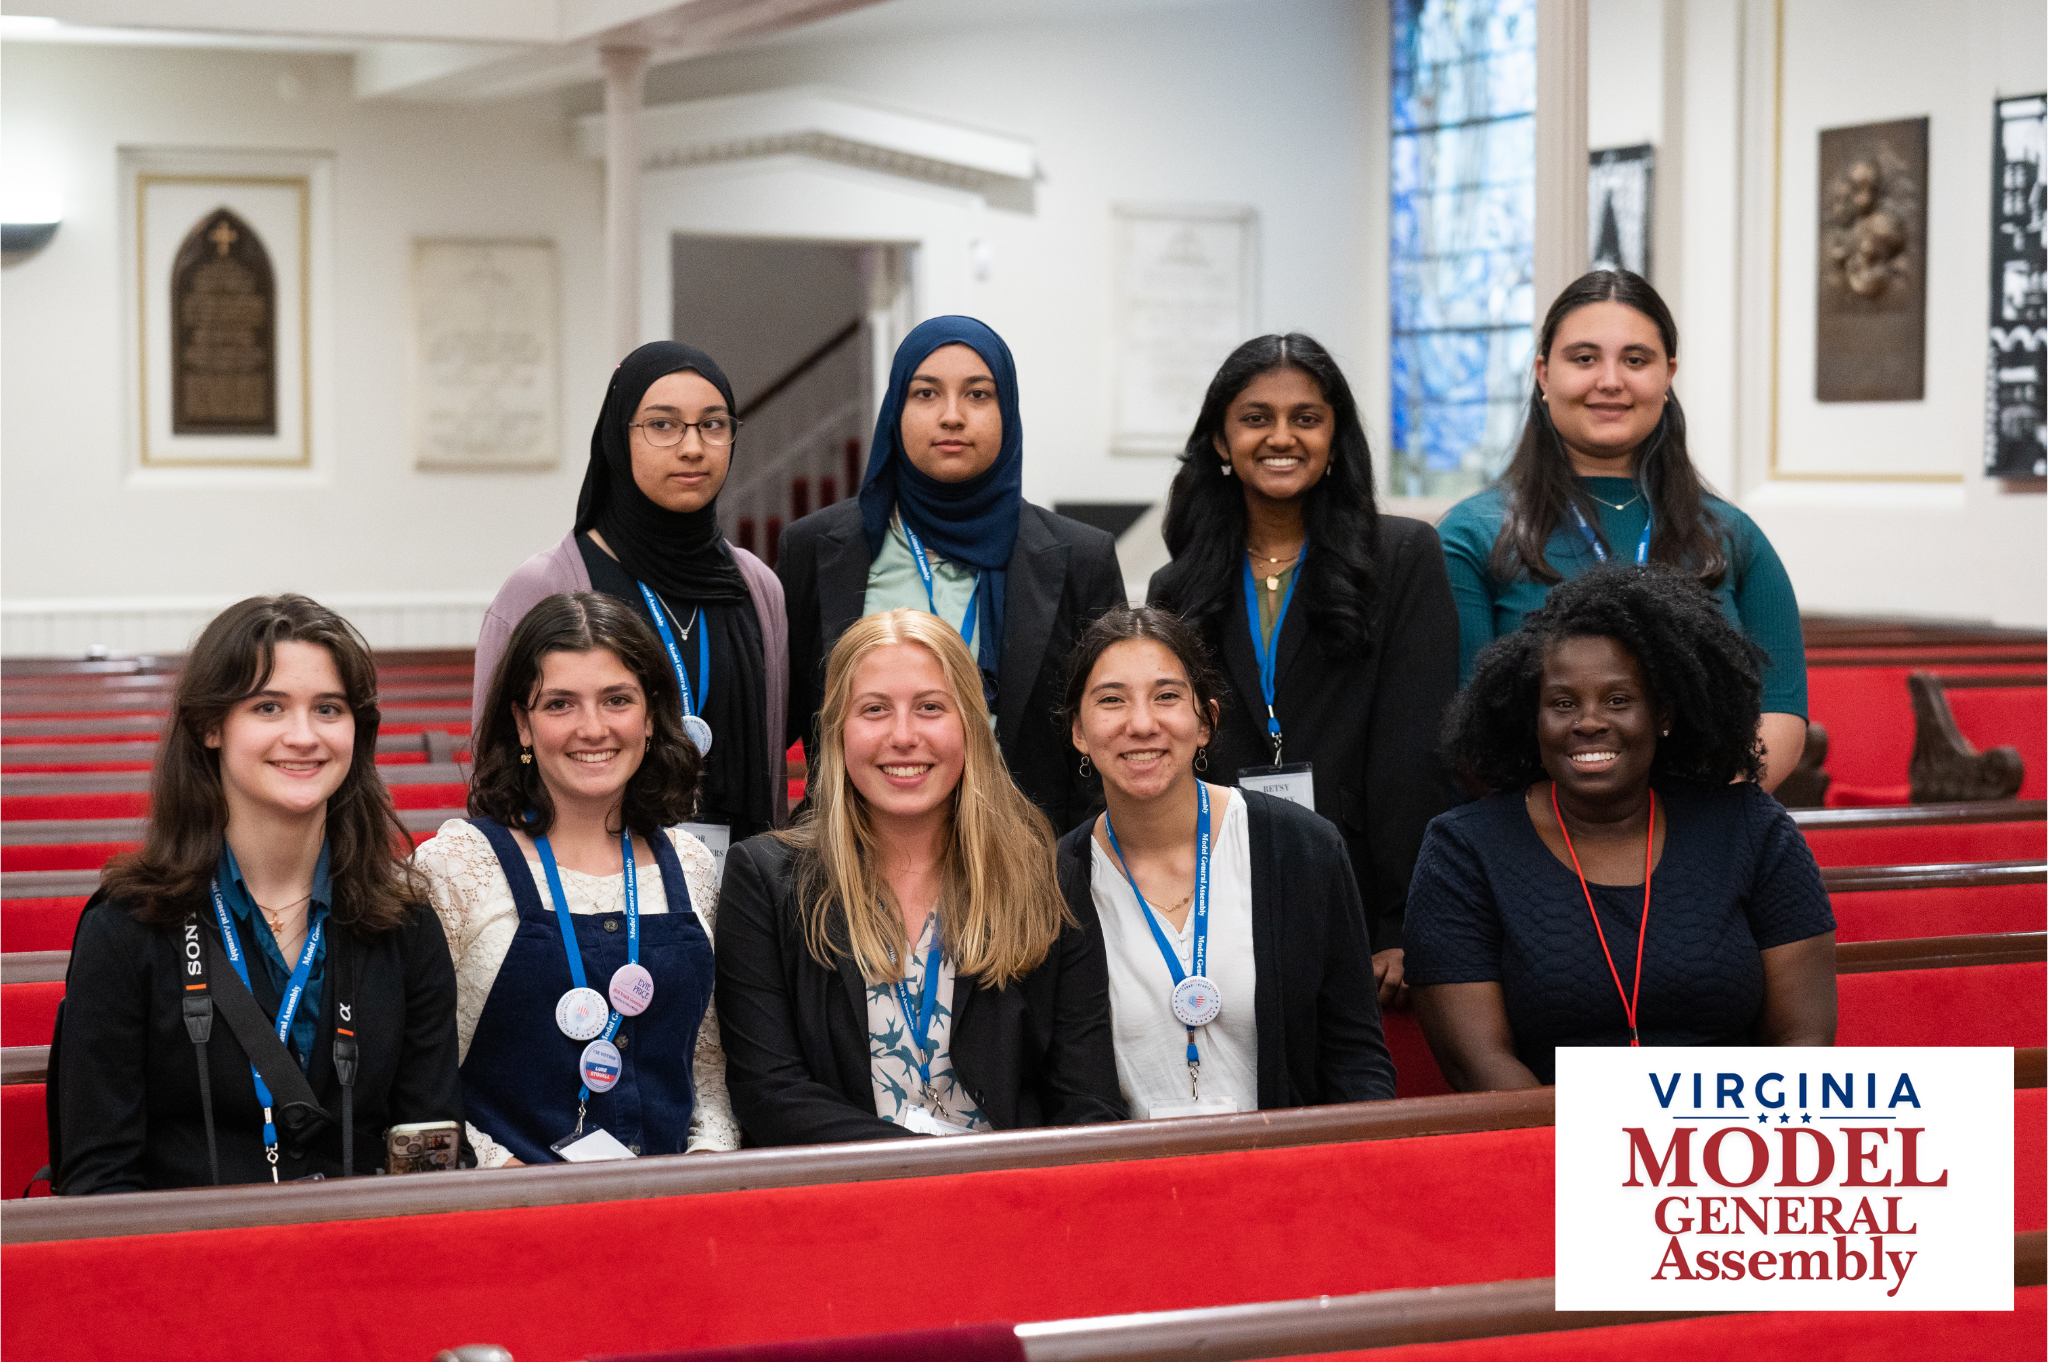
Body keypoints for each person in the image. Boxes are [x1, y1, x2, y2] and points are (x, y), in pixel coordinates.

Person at [55, 596, 463, 1192]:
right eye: (269, 707)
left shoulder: (404, 923)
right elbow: (98, 1182)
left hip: (366, 1263)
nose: (303, 736)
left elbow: (428, 1154)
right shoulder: (127, 927)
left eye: (328, 708)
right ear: (211, 726)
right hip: (189, 1271)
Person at [1404, 565, 1837, 1091]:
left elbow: (1804, 1041)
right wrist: (1607, 1151)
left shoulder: (1750, 826)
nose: (1588, 721)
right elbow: (1480, 1066)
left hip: (1726, 1144)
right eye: (1562, 704)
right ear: (1532, 719)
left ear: (1663, 714)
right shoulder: (1465, 848)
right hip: (1548, 1146)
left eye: (1618, 700)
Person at [715, 608, 1125, 1145]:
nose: (903, 736)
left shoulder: (1047, 880)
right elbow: (768, 1092)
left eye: (930, 708)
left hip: (1009, 1207)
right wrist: (933, 1168)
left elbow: (1086, 1098)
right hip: (839, 1206)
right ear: (837, 731)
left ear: (971, 727)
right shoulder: (764, 882)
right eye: (875, 710)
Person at [1148, 333, 1457, 1003]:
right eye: (1256, 418)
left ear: (1334, 438)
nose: (1281, 436)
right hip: (1221, 898)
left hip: (1363, 897)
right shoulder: (1177, 584)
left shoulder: (1404, 558)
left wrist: (1401, 920)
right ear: (1223, 443)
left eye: (1306, 419)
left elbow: (1416, 754)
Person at [1436, 269, 1809, 791]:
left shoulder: (1731, 535)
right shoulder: (1472, 535)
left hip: (1702, 831)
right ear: (1544, 374)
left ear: (1668, 374)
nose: (1610, 380)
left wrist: (1688, 819)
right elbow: (1466, 727)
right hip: (1538, 838)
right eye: (1584, 359)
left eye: (1636, 360)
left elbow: (1781, 715)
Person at [415, 592, 736, 1164]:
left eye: (617, 700)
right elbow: (419, 1078)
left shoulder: (689, 865)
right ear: (521, 723)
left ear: (649, 715)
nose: (593, 728)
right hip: (512, 1213)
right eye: (560, 704)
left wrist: (708, 1158)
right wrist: (501, 1170)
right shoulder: (459, 864)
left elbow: (707, 1065)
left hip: (673, 1206)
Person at [778, 316, 1125, 834]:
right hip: (852, 857)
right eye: (926, 394)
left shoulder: (1080, 558)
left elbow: (1104, 730)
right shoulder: (817, 548)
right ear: (895, 410)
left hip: (1024, 864)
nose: (952, 416)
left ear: (1007, 411)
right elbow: (787, 722)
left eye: (978, 395)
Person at [1056, 607, 1396, 1118]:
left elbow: (1357, 1061)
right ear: (1080, 731)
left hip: (1287, 1177)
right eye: (1111, 701)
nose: (1142, 723)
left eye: (1167, 696)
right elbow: (1066, 1089)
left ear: (1206, 723)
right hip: (1133, 1185)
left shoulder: (1303, 848)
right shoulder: (1055, 881)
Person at [475, 341, 789, 850]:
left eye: (713, 424)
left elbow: (771, 770)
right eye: (663, 425)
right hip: (582, 890)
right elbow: (497, 773)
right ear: (618, 439)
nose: (693, 447)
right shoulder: (544, 587)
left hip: (737, 890)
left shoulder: (758, 587)